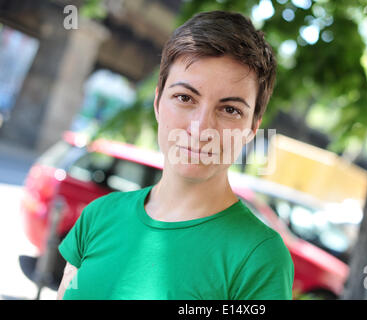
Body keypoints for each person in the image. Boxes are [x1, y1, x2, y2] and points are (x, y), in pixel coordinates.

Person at [57, 10, 294, 300]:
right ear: (158, 102)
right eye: (185, 98)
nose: (200, 128)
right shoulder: (98, 216)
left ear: (252, 128)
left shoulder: (260, 258)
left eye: (230, 109)